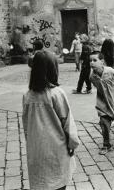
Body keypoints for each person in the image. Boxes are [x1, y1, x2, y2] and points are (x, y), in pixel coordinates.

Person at [22, 50, 79, 190]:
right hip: (56, 148)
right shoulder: (56, 93)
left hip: (36, 148)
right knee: (58, 182)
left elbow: (26, 125)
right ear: (53, 69)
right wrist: (72, 144)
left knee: (41, 182)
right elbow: (67, 122)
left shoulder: (27, 96)